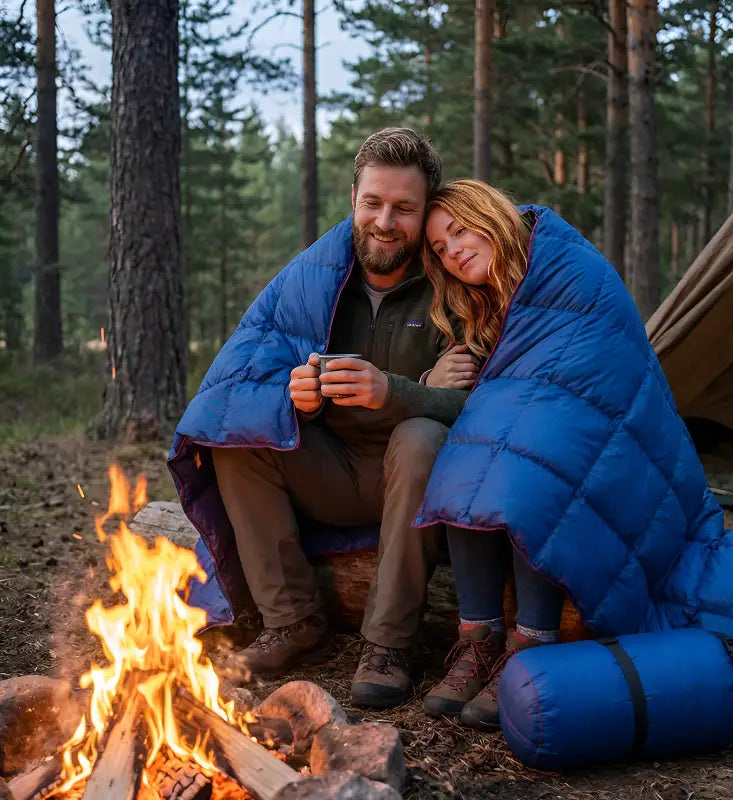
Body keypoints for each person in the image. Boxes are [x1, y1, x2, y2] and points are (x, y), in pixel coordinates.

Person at [177, 128, 479, 710]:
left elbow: (480, 410)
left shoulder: (454, 280)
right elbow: (249, 374)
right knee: (240, 431)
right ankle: (291, 619)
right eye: (373, 203)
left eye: (404, 208)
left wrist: (399, 393)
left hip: (416, 481)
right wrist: (296, 400)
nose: (385, 222)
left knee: (420, 436)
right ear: (353, 199)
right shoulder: (315, 278)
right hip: (330, 468)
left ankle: (388, 645)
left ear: (427, 212)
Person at [419, 179, 566, 731]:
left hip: (577, 447)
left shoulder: (557, 266)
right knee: (464, 458)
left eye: (460, 231)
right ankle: (478, 639)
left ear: (491, 217)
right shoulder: (479, 306)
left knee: (526, 461)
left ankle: (533, 642)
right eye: (440, 248)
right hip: (517, 442)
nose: (453, 251)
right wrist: (428, 380)